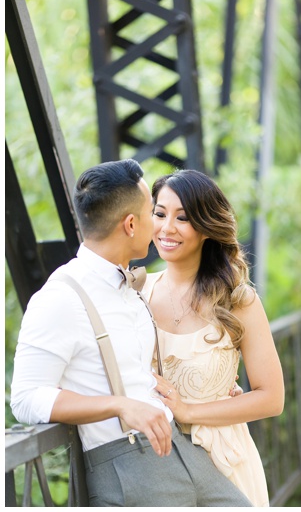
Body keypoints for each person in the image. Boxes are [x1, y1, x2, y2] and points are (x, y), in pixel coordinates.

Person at [11, 159, 252, 507]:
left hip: (182, 449)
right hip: (130, 466)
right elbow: (25, 398)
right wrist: (119, 405)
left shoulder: (129, 286)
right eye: (152, 213)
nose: (159, 227)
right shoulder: (60, 298)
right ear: (130, 224)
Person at [144, 169, 284, 507]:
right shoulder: (136, 293)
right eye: (160, 214)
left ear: (207, 227)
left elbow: (272, 398)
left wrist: (188, 410)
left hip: (224, 465)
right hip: (154, 469)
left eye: (183, 218)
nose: (167, 228)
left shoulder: (238, 300)